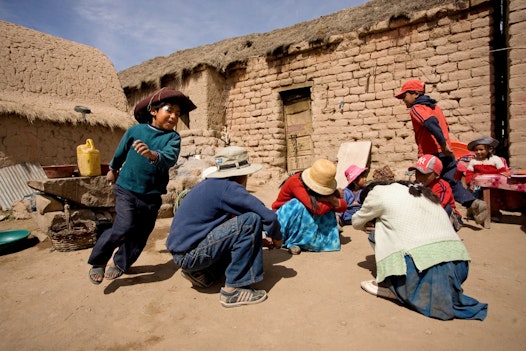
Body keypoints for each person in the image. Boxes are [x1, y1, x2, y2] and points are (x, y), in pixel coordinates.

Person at [88, 87, 196, 285]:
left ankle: (121, 263)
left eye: (178, 114)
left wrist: (152, 155)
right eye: (169, 110)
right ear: (154, 111)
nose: (174, 116)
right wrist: (112, 169)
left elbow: (169, 159)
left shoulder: (173, 138)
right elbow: (120, 152)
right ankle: (99, 260)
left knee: (141, 233)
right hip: (126, 188)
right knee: (124, 225)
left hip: (151, 195)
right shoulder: (135, 131)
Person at [352, 180, 488, 321]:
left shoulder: (377, 193)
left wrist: (373, 225)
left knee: (376, 233)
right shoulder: (418, 190)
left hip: (420, 268)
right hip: (460, 266)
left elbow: (356, 222)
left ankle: (397, 286)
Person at [166, 146, 283, 308]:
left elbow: (220, 230)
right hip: (191, 256)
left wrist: (256, 240)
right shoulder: (228, 188)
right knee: (251, 220)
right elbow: (268, 217)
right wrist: (277, 239)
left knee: (242, 222)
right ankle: (233, 290)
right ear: (242, 174)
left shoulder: (209, 185)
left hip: (183, 255)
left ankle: (203, 273)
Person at [395, 79, 488, 225]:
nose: (403, 100)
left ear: (415, 93)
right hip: (446, 153)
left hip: (432, 153)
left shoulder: (416, 108)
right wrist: (446, 145)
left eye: (404, 96)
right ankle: (473, 203)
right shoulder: (435, 107)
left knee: (423, 183)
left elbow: (430, 123)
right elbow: (445, 126)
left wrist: (442, 144)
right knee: (450, 181)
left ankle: (427, 216)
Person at [272, 159, 346, 255]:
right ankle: (293, 241)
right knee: (300, 205)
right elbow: (317, 209)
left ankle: (316, 240)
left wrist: (332, 200)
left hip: (305, 214)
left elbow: (343, 206)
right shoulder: (296, 182)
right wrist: (333, 199)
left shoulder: (321, 182)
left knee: (324, 208)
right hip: (284, 219)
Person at [408, 154, 463, 231]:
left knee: (447, 209)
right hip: (427, 216)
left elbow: (438, 206)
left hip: (449, 218)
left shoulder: (441, 186)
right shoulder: (415, 184)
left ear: (436, 175)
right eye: (417, 172)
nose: (419, 177)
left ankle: (445, 236)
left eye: (425, 174)